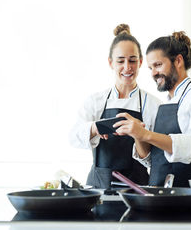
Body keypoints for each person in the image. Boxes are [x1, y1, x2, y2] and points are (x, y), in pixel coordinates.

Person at [113, 31, 191, 187]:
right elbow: (154, 161)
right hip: (160, 190)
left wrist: (146, 134)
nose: (154, 73)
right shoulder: (163, 104)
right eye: (150, 68)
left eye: (158, 65)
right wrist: (138, 135)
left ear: (178, 61)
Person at [69, 24, 161, 189]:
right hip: (99, 189)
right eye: (120, 61)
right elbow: (73, 137)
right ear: (111, 63)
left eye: (132, 60)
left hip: (137, 190)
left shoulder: (153, 105)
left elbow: (154, 159)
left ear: (140, 62)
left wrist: (139, 134)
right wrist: (95, 128)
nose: (127, 67)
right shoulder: (95, 101)